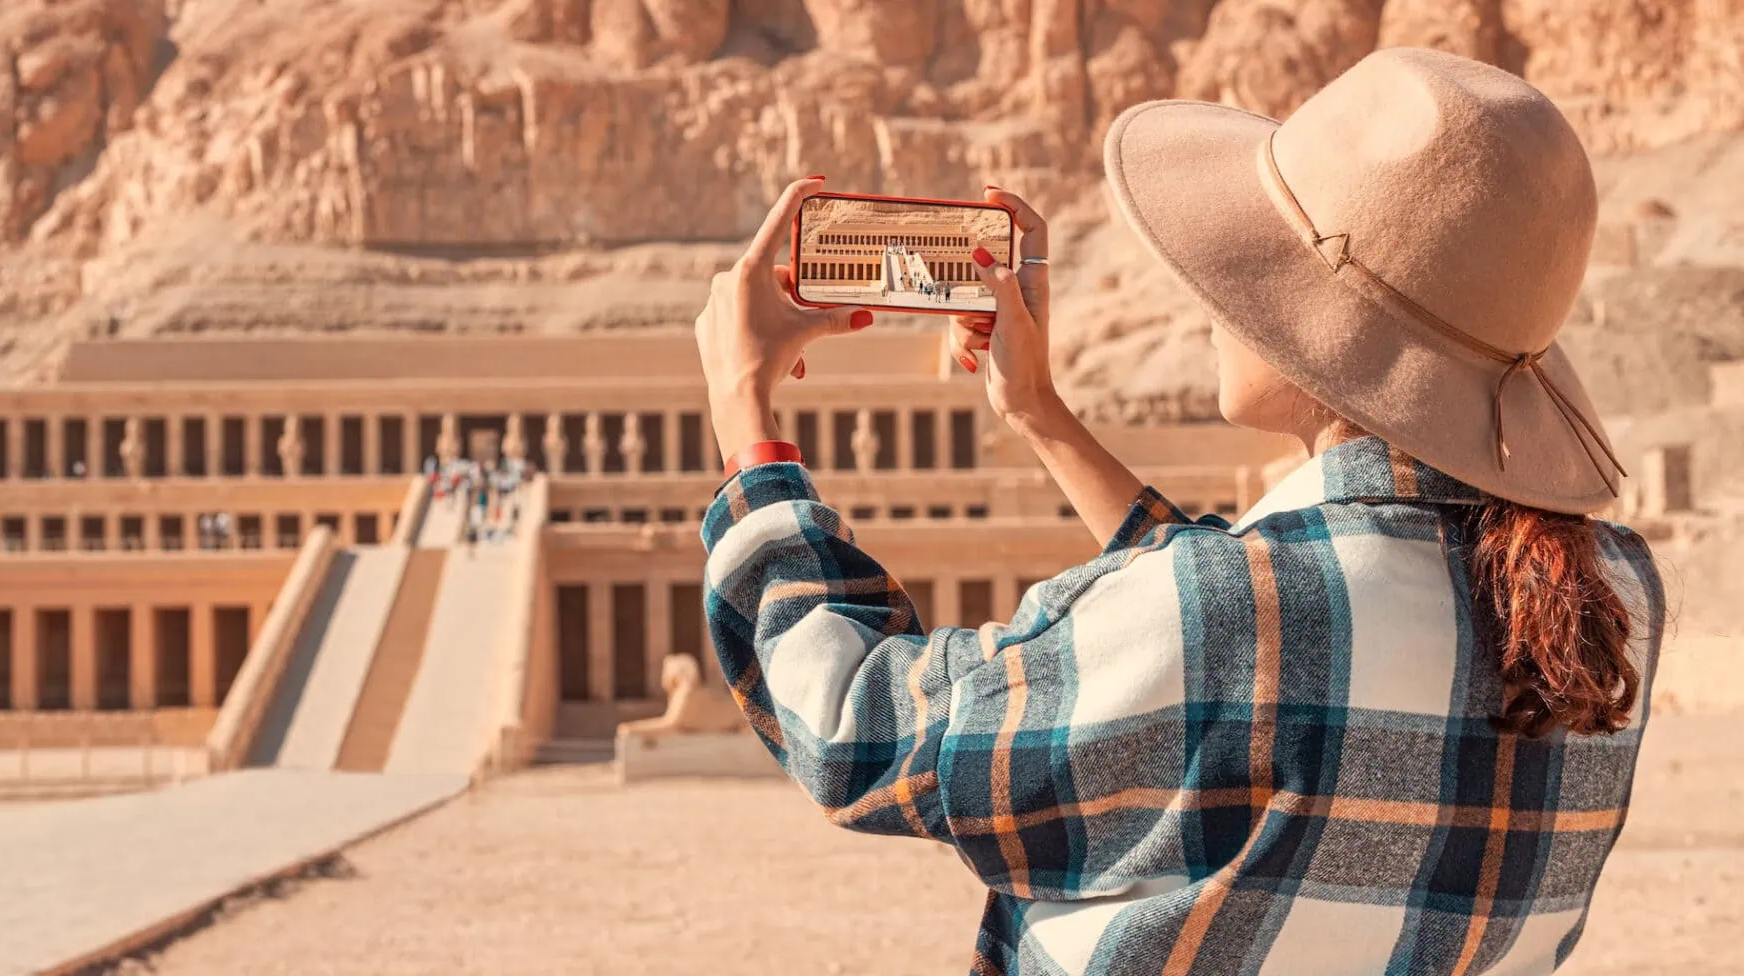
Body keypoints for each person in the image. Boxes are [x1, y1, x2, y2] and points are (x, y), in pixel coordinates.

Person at [692, 49, 1661, 976]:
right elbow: (1266, 641)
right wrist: (1040, 414)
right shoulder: (1612, 598)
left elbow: (855, 728)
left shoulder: (1232, 617)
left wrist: (747, 418)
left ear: (1318, 329)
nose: (1213, 298)